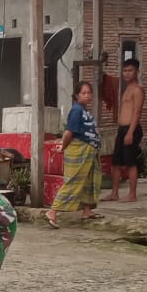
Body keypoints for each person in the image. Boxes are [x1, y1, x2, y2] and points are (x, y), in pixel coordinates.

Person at [46, 80, 101, 227]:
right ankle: (53, 211)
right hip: (79, 151)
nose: (87, 96)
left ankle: (87, 210)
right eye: (84, 93)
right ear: (77, 95)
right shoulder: (76, 111)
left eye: (89, 93)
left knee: (89, 181)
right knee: (73, 181)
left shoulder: (84, 111)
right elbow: (69, 133)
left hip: (89, 151)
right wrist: (62, 147)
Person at [107, 58, 145, 202]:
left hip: (131, 129)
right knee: (115, 162)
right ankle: (114, 193)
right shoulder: (126, 88)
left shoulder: (138, 89)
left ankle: (132, 194)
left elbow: (137, 112)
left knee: (130, 162)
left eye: (130, 70)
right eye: (125, 70)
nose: (127, 73)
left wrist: (130, 132)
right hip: (122, 129)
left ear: (137, 72)